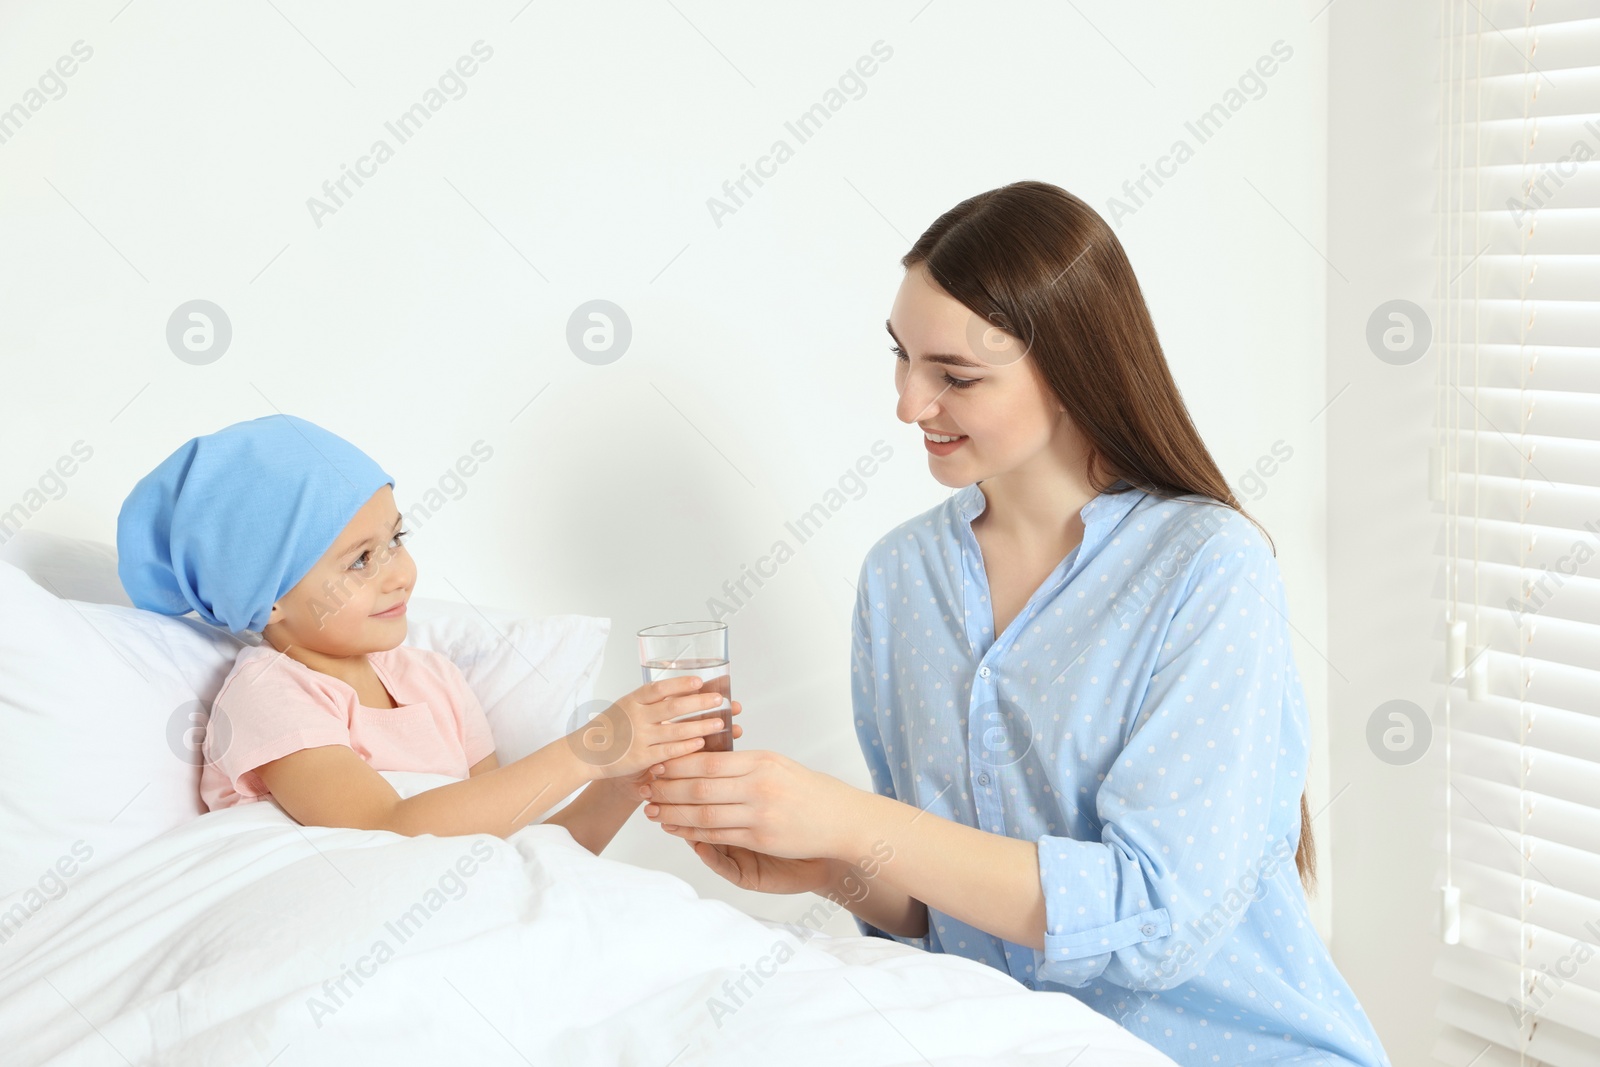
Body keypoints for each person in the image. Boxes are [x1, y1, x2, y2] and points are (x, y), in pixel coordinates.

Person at [635, 181, 1391, 1066]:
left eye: (954, 376)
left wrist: (851, 821)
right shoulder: (901, 578)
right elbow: (951, 913)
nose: (909, 405)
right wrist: (831, 863)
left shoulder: (1207, 567)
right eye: (902, 358)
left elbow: (1157, 917)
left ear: (1072, 370)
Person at [116, 413, 739, 852]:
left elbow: (514, 852)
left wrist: (622, 780)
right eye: (361, 559)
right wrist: (586, 746)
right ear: (267, 598)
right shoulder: (272, 698)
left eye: (397, 540)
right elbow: (389, 832)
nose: (399, 575)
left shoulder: (434, 680)